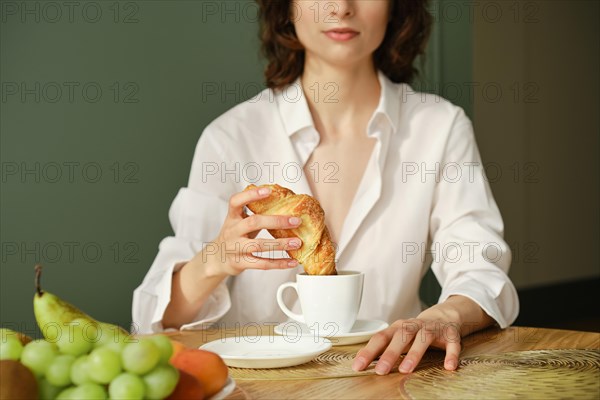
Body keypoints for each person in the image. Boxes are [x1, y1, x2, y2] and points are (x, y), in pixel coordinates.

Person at [133, 0, 519, 375]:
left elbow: (480, 268)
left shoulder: (440, 127)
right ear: (285, 6)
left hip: (387, 377)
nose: (341, 7)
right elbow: (156, 320)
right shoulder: (231, 137)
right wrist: (214, 260)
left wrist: (443, 316)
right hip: (261, 387)